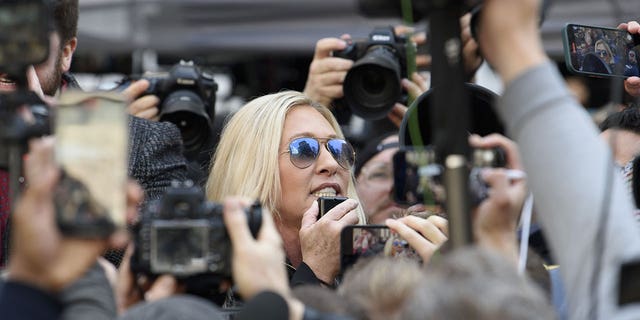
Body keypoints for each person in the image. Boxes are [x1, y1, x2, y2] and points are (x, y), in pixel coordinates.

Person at [477, 0, 640, 317]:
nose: (612, 184)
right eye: (602, 170)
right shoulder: (533, 258)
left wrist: (510, 40)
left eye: (632, 174)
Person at [0, 0, 188, 267]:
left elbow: (159, 262)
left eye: (28, 46)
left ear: (66, 53)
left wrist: (55, 145)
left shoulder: (144, 145)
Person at [206, 91, 364, 287]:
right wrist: (316, 274)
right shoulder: (216, 279)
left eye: (339, 149)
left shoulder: (370, 271)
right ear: (255, 168)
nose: (332, 164)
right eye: (304, 149)